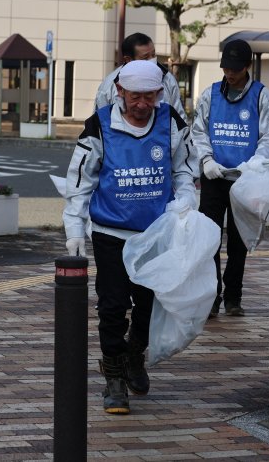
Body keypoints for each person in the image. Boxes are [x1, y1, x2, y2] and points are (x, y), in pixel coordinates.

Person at [64, 59, 199, 415]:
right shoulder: (99, 125)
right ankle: (113, 379)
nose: (142, 105)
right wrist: (75, 229)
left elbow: (184, 167)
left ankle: (134, 356)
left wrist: (186, 198)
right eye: (135, 96)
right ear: (120, 92)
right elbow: (80, 182)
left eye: (149, 97)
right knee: (112, 305)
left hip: (156, 231)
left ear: (159, 94)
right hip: (110, 232)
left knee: (148, 303)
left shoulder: (170, 121)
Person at [192, 39, 269, 318]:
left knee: (239, 242)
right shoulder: (210, 95)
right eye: (226, 68)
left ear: (247, 66)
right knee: (209, 240)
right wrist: (206, 160)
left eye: (235, 69)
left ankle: (233, 298)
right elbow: (198, 131)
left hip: (245, 179)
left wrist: (255, 164)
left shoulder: (260, 95)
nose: (229, 74)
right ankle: (210, 298)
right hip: (214, 177)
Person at [95, 32, 185, 117]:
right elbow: (100, 123)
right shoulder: (109, 86)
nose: (152, 60)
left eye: (153, 55)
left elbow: (179, 117)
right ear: (128, 60)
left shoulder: (167, 79)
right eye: (145, 58)